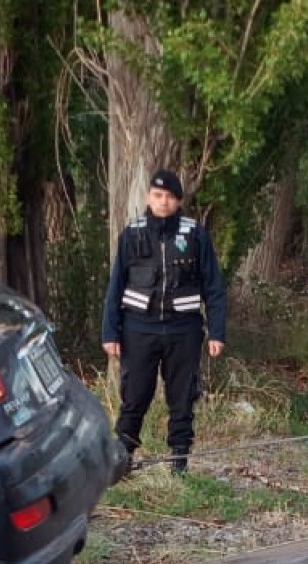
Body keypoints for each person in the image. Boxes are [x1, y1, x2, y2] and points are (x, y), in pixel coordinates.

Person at [102, 168, 227, 475]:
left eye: (170, 197)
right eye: (158, 196)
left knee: (182, 396)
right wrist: (110, 332)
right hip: (138, 329)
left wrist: (217, 331)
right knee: (135, 395)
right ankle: (123, 459)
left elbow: (214, 287)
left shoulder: (195, 235)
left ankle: (178, 461)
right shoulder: (133, 234)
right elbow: (115, 286)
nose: (163, 202)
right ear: (149, 197)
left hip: (183, 330)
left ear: (179, 201)